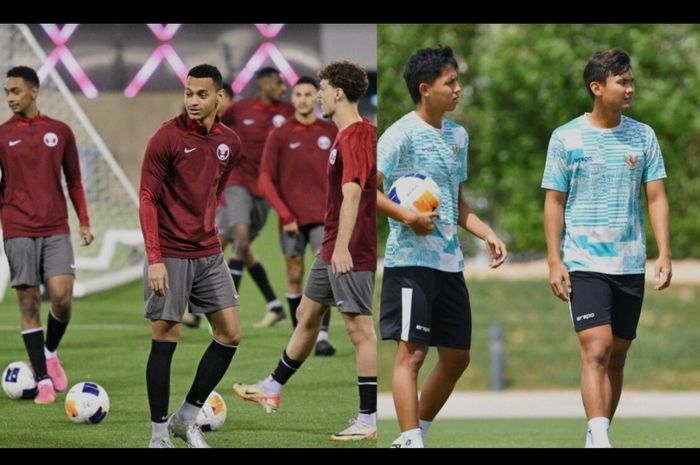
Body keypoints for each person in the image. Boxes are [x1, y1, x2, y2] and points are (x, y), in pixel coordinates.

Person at [233, 61, 378, 441]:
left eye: (323, 88)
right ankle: (272, 387)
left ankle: (368, 419)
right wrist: (330, 247)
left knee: (359, 330)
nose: (319, 96)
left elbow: (353, 193)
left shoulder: (357, 135)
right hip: (332, 246)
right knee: (307, 312)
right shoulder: (346, 134)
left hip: (350, 250)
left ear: (338, 94)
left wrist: (342, 247)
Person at [376, 46, 507, 448]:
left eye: (457, 81)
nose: (457, 89)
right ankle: (411, 438)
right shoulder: (399, 135)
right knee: (411, 355)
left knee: (456, 358)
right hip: (410, 263)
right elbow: (364, 190)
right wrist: (407, 216)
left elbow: (456, 201)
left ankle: (416, 434)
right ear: (425, 88)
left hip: (450, 263)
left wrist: (485, 231)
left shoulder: (457, 135)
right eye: (450, 82)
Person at [542, 48, 671, 448]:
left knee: (617, 354)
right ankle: (600, 438)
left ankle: (597, 432)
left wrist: (664, 252)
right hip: (584, 262)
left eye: (631, 81)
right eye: (622, 81)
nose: (630, 88)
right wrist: (553, 259)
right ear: (597, 88)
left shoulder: (643, 135)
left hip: (629, 263)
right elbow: (554, 201)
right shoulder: (565, 137)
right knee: (595, 348)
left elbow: (656, 198)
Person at [139, 64, 242, 448]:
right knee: (167, 335)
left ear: (219, 97)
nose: (193, 101)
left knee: (230, 334)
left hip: (209, 251)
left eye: (201, 94)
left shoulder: (230, 142)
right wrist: (154, 257)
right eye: (188, 93)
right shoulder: (165, 137)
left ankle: (186, 416)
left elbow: (218, 187)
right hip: (169, 251)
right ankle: (157, 434)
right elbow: (147, 198)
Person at [0, 66, 94, 404]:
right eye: (7, 92)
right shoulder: (1, 135)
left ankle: (50, 351)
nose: (10, 97)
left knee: (62, 297)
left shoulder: (60, 131)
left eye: (15, 91)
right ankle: (41, 379)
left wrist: (84, 220)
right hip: (17, 227)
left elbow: (75, 180)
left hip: (55, 226)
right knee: (27, 302)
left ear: (34, 91)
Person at [258, 76, 338, 356]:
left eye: (308, 94)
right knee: (294, 274)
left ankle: (322, 336)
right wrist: (284, 213)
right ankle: (299, 332)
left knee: (324, 274)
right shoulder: (280, 135)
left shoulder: (331, 131)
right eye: (298, 94)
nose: (303, 99)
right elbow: (265, 179)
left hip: (323, 217)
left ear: (316, 98)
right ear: (292, 99)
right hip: (289, 219)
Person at [220, 68, 294, 328]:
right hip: (237, 183)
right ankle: (224, 310)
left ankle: (274, 305)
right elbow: (214, 129)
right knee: (238, 240)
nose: (283, 88)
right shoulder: (239, 110)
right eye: (278, 83)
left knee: (241, 247)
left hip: (266, 190)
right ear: (263, 85)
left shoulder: (287, 112)